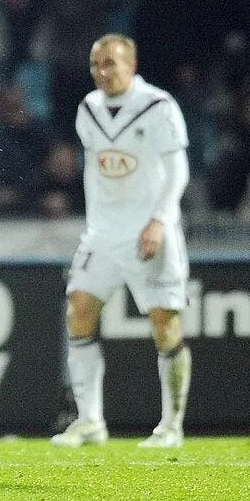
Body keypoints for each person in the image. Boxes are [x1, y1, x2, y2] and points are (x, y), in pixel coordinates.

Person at [51, 34, 191, 449]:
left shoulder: (158, 106)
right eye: (96, 65)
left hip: (149, 230)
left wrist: (159, 221)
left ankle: (171, 426)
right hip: (103, 234)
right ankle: (90, 421)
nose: (102, 72)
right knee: (79, 309)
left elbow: (178, 171)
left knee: (164, 323)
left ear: (131, 65)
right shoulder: (88, 109)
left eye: (110, 63)